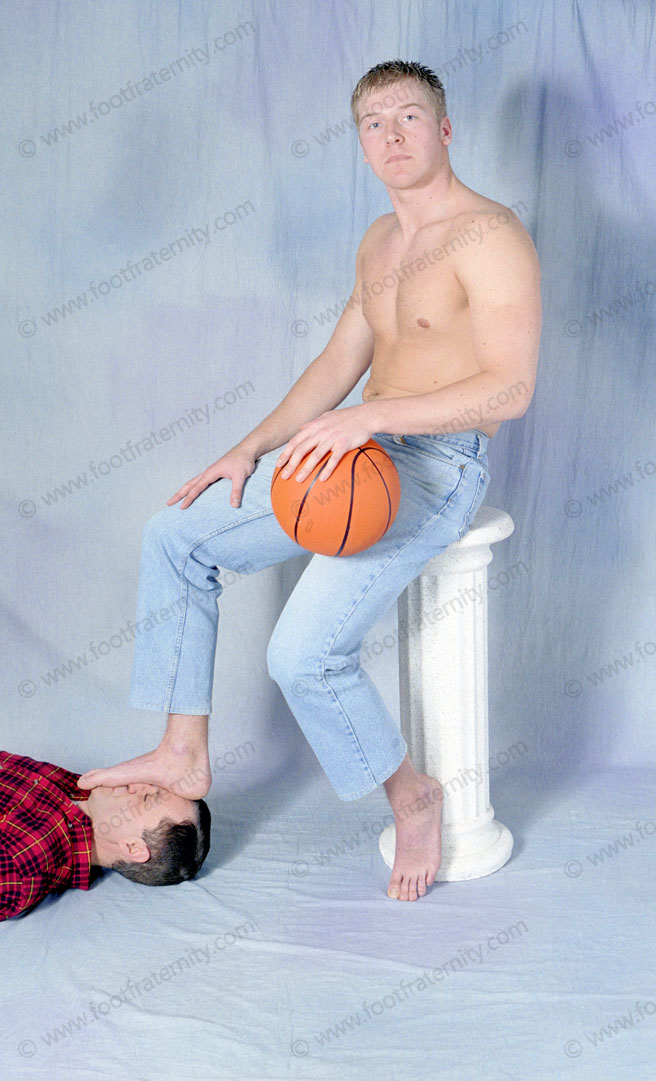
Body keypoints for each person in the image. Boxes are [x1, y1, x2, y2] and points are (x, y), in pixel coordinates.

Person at [77, 59, 541, 902]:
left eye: (409, 116)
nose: (392, 134)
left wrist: (372, 417)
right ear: (361, 144)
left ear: (444, 129)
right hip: (353, 453)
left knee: (300, 655)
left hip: (437, 466)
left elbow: (510, 388)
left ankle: (413, 793)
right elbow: (337, 363)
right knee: (176, 535)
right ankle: (183, 748)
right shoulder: (380, 241)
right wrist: (248, 448)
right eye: (373, 122)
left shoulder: (491, 234)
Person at [0, 750, 210, 921]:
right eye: (153, 784)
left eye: (147, 798)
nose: (137, 782)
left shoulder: (22, 865)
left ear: (132, 848)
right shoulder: (86, 791)